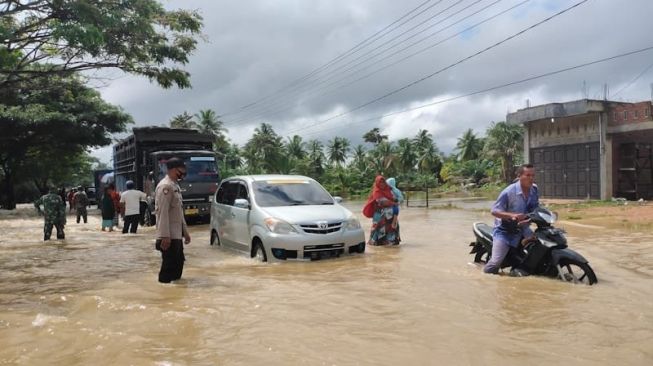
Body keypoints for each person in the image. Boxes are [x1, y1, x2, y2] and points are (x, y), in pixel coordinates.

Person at [484, 164, 539, 274]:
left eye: (533, 175)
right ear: (519, 176)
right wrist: (512, 216)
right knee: (495, 263)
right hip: (504, 231)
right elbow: (494, 211)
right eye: (528, 175)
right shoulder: (508, 192)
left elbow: (536, 207)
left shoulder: (534, 189)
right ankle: (484, 275)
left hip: (523, 228)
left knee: (539, 247)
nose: (531, 178)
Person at [154, 157, 191, 283]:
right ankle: (163, 297)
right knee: (167, 270)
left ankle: (174, 297)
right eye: (182, 170)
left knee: (178, 265)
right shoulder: (166, 186)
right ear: (174, 169)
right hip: (168, 236)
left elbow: (179, 213)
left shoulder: (175, 186)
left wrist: (185, 233)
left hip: (176, 235)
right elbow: (162, 213)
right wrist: (164, 236)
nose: (184, 173)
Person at [364, 175, 400, 246]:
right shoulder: (376, 192)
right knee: (378, 234)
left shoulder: (389, 190)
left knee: (392, 237)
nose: (382, 184)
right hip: (380, 216)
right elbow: (381, 201)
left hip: (391, 218)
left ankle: (391, 242)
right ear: (377, 183)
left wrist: (395, 202)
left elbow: (395, 199)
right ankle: (376, 242)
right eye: (380, 182)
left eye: (383, 182)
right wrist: (393, 203)